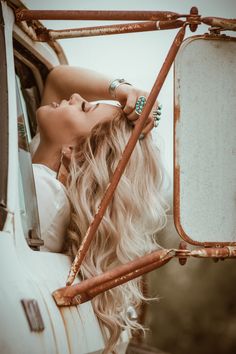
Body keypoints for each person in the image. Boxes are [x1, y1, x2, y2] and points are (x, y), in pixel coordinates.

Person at [31, 65, 168, 353]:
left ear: (76, 152)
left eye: (84, 108)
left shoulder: (42, 194)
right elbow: (56, 79)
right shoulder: (41, 170)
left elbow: (58, 82)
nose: (76, 96)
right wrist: (123, 90)